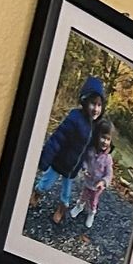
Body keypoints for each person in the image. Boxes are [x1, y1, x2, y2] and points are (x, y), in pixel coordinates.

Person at [30, 74, 106, 230]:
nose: (96, 109)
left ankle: (61, 208)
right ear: (85, 101)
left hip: (73, 168)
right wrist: (45, 158)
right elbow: (58, 138)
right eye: (93, 103)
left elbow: (92, 148)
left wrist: (95, 164)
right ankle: (37, 192)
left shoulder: (96, 126)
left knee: (66, 193)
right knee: (46, 183)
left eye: (99, 105)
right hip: (59, 161)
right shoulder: (75, 117)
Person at [68, 121, 116, 237]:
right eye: (103, 137)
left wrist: (103, 182)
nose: (105, 141)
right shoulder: (90, 151)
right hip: (88, 181)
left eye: (108, 139)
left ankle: (91, 212)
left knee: (93, 200)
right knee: (83, 195)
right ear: (97, 136)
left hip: (98, 186)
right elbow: (85, 160)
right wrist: (84, 168)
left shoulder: (108, 158)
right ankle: (79, 206)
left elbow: (109, 174)